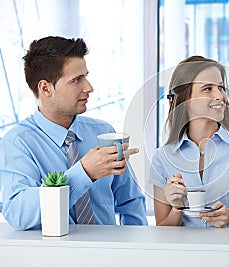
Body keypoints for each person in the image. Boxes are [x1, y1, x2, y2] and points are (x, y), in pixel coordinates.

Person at [0, 36, 147, 230]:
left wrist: (136, 252)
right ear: (45, 88)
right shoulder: (18, 143)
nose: (89, 87)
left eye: (85, 76)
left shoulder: (103, 132)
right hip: (54, 258)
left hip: (109, 255)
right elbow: (19, 213)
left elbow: (130, 202)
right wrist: (83, 173)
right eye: (77, 80)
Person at [149, 56, 229, 227]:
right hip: (183, 253)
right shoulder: (162, 158)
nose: (220, 96)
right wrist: (177, 208)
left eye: (221, 87)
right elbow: (162, 230)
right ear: (185, 99)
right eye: (207, 89)